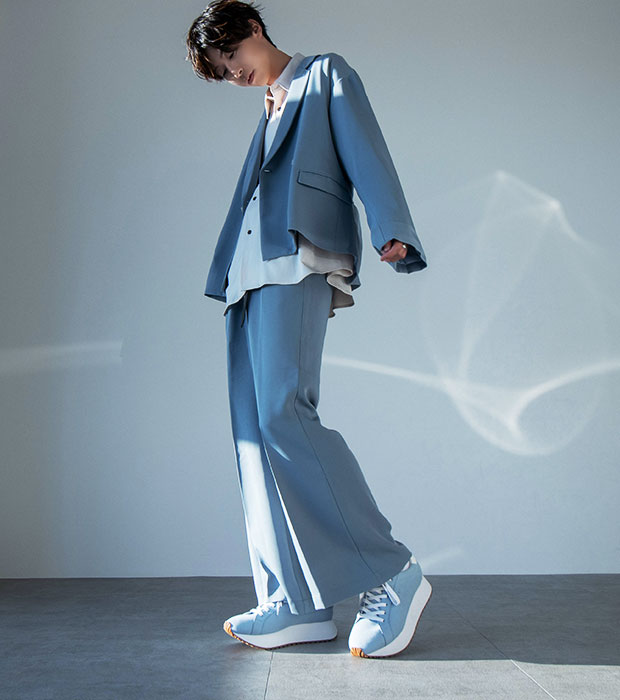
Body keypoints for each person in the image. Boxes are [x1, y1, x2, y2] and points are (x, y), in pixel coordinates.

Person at [185, 0, 432, 658]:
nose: (232, 72)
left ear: (252, 29)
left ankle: (390, 572)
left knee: (283, 415)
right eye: (221, 70)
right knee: (252, 437)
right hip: (246, 275)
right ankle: (294, 600)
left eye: (230, 55)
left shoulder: (324, 74)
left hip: (296, 260)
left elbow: (366, 150)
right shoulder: (268, 107)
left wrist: (391, 227)